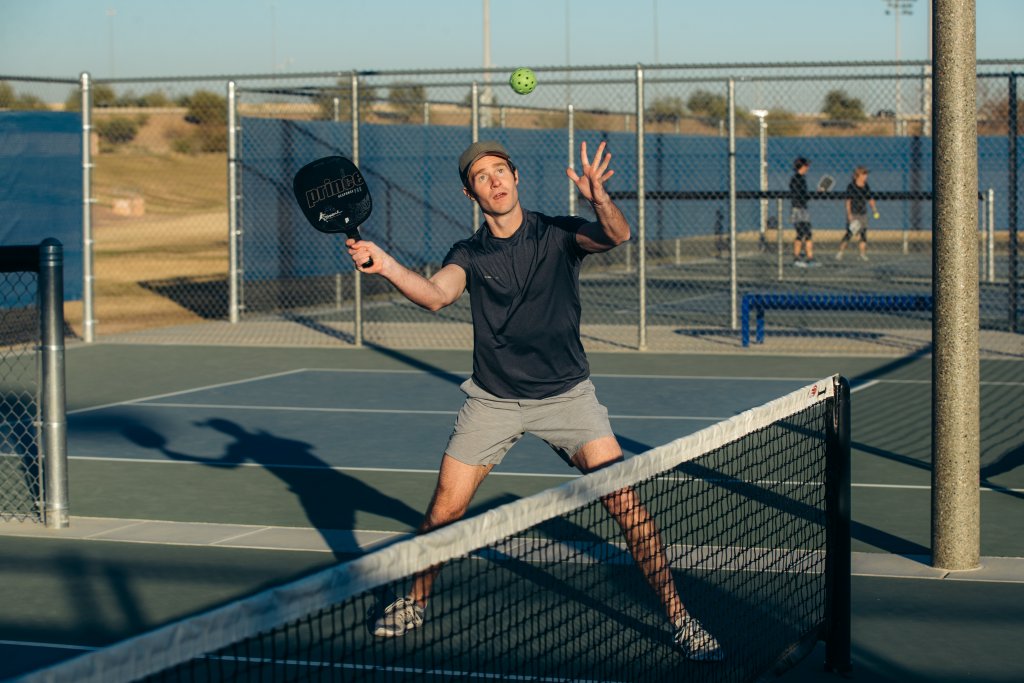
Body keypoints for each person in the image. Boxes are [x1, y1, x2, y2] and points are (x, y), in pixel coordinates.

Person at [344, 139, 724, 662]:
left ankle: (682, 619)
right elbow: (435, 295)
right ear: (470, 192)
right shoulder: (469, 254)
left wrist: (599, 199)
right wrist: (385, 264)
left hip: (569, 396)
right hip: (493, 401)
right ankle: (414, 599)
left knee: (628, 506)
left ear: (517, 177)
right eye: (483, 176)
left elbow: (617, 234)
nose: (496, 181)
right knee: (442, 513)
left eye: (502, 170)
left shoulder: (559, 233)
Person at [836, 166, 879, 261]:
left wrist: (874, 210)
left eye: (866, 174)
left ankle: (862, 254)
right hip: (854, 213)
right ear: (858, 175)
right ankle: (840, 252)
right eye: (864, 174)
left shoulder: (866, 186)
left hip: (863, 213)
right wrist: (849, 215)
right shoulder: (851, 186)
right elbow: (848, 201)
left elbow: (870, 199)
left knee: (863, 234)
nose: (866, 176)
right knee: (849, 234)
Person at [788, 157, 818, 267]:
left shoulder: (802, 178)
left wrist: (815, 194)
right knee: (801, 233)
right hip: (797, 209)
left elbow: (804, 196)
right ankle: (796, 258)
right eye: (806, 165)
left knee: (808, 233)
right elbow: (800, 195)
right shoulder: (796, 179)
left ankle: (810, 258)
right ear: (802, 166)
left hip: (803, 209)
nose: (808, 168)